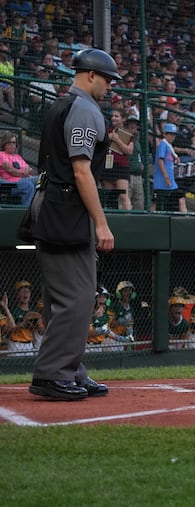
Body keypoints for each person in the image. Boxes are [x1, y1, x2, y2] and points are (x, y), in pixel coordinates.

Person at [27, 48, 118, 400]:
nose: (110, 85)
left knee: (65, 297)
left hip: (54, 201)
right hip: (64, 206)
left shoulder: (62, 105)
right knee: (77, 298)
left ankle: (71, 371)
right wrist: (102, 223)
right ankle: (52, 375)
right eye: (107, 78)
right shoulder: (82, 109)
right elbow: (81, 171)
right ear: (90, 75)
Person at [151, 123, 187, 213]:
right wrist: (166, 177)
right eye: (170, 134)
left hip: (170, 182)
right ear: (164, 134)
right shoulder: (163, 144)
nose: (172, 136)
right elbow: (160, 161)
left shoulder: (169, 146)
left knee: (180, 198)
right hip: (162, 182)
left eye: (174, 134)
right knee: (159, 206)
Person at [103, 108, 133, 210]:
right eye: (112, 116)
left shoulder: (127, 133)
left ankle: (128, 219)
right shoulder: (107, 131)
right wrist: (107, 138)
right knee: (110, 197)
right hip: (107, 165)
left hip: (121, 167)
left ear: (123, 119)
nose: (113, 118)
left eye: (116, 116)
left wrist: (117, 140)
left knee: (123, 196)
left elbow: (129, 151)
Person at [0, 131, 38, 206]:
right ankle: (26, 213)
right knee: (29, 184)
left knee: (42, 180)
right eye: (9, 142)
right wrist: (24, 172)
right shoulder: (1, 155)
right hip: (11, 184)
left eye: (14, 143)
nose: (12, 145)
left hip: (25, 179)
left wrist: (25, 171)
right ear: (4, 144)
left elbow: (31, 170)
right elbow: (10, 170)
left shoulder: (18, 157)